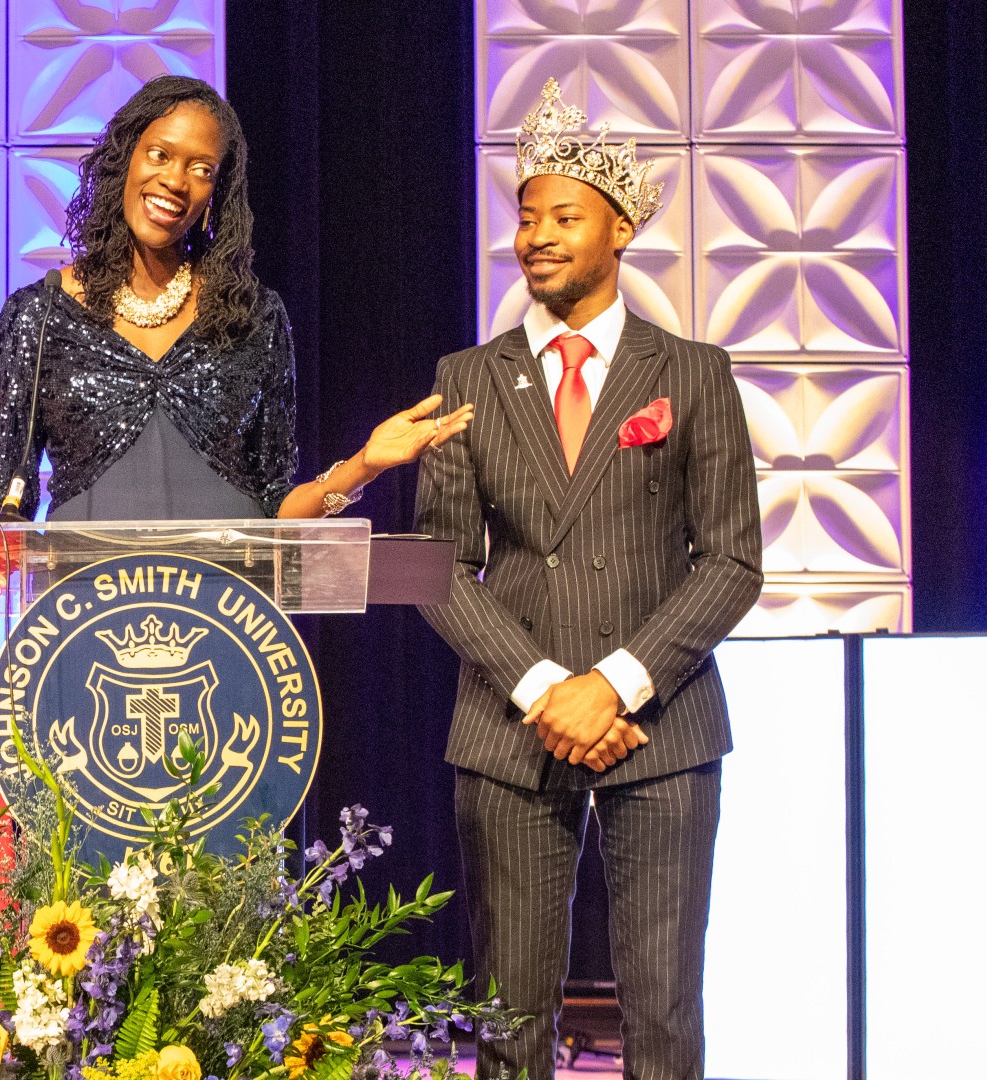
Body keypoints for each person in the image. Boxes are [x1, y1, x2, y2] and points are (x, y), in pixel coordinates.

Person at [414, 79, 762, 1079]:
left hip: (660, 720)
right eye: (525, 219)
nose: (536, 238)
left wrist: (611, 683)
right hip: (510, 723)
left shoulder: (693, 372)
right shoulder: (467, 379)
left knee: (663, 1012)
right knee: (509, 1016)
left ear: (619, 231)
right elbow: (439, 565)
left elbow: (733, 560)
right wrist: (543, 690)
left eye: (563, 217)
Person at [0, 75, 468, 538]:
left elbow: (276, 511)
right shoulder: (40, 314)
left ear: (216, 194)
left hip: (227, 615)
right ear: (125, 160)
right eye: (159, 155)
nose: (175, 181)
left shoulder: (253, 319)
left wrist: (365, 464)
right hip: (92, 613)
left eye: (201, 169)